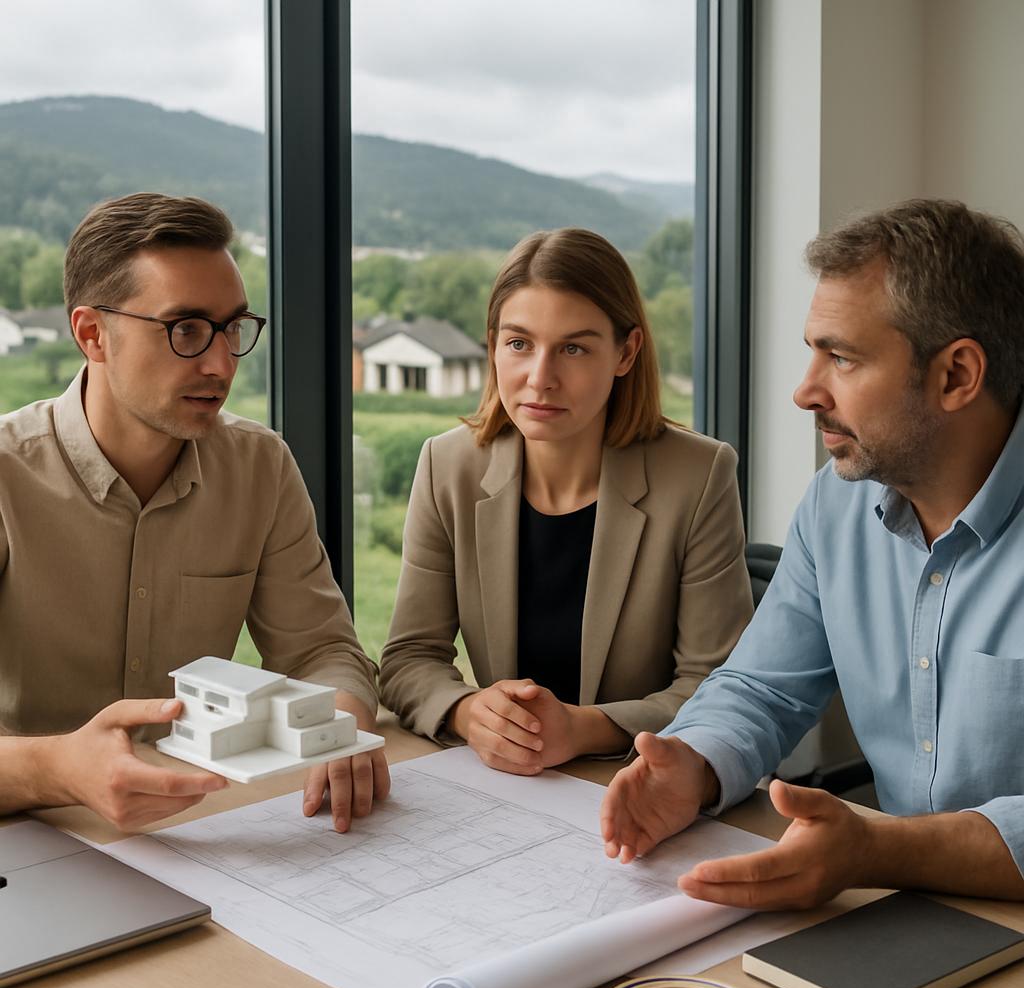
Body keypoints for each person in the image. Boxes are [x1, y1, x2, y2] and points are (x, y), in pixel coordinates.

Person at [601, 198, 1024, 907]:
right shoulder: (838, 501)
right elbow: (764, 686)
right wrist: (695, 762)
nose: (805, 391)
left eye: (843, 357)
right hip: (900, 913)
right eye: (812, 350)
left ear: (956, 376)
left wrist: (879, 849)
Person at [0, 193, 388, 833]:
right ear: (93, 334)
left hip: (200, 828)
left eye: (232, 328)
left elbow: (322, 650)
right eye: (185, 329)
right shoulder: (7, 474)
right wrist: (60, 769)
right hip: (30, 832)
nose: (220, 363)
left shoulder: (260, 467)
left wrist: (340, 728)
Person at [379, 228, 752, 774]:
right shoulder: (448, 466)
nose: (540, 378)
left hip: (638, 778)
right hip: (504, 784)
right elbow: (409, 659)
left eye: (573, 348)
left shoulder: (698, 476)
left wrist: (582, 728)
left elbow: (719, 686)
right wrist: (466, 711)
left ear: (626, 352)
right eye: (519, 343)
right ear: (493, 346)